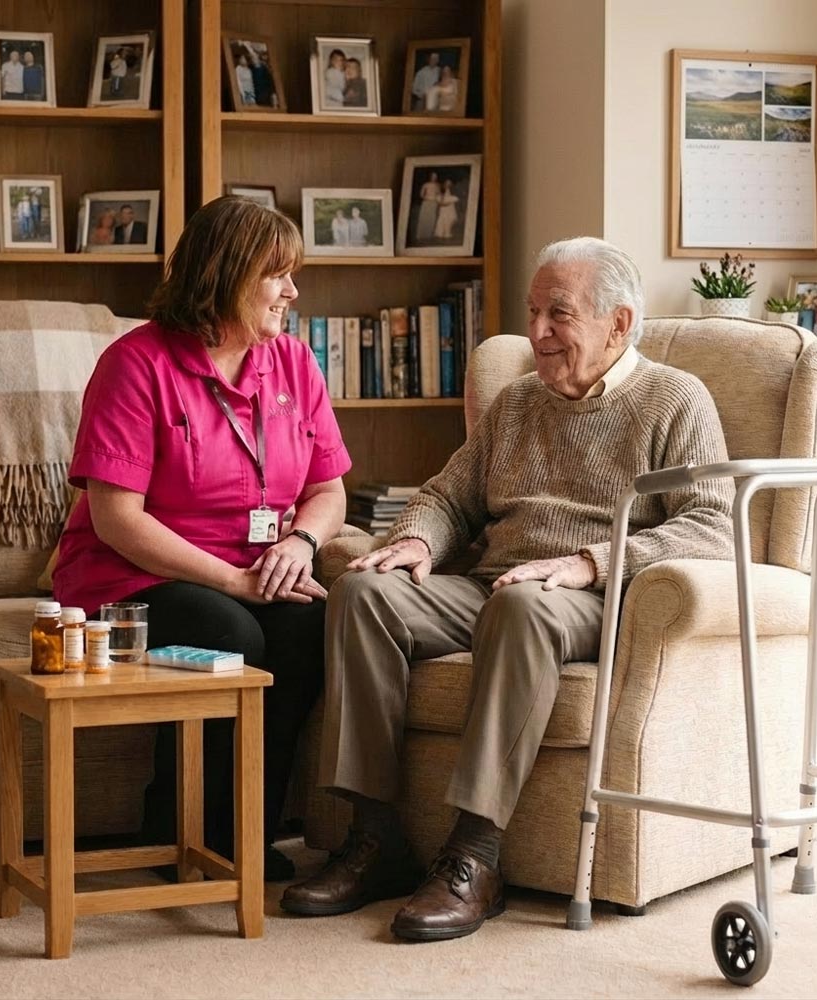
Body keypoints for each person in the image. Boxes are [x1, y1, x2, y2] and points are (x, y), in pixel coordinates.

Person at [280, 236, 734, 939]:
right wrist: (415, 541)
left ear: (618, 323)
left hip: (589, 598)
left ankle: (475, 856)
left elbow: (712, 527)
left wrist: (588, 563)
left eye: (559, 314)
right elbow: (448, 495)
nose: (539, 333)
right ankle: (374, 838)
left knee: (524, 604)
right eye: (533, 313)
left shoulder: (677, 400)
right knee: (364, 592)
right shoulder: (518, 402)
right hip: (493, 585)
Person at [53, 197, 350, 881]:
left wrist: (301, 544)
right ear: (225, 274)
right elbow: (116, 518)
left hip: (258, 569)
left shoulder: (295, 364)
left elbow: (328, 489)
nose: (292, 292)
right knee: (230, 633)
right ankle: (180, 826)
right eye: (278, 274)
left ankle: (248, 832)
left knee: (311, 625)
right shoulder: (136, 364)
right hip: (130, 574)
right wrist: (234, 581)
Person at [415, 172, 441, 242]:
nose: (434, 178)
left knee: (432, 218)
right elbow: (421, 194)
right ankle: (421, 235)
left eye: (435, 176)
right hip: (426, 203)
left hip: (434, 203)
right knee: (424, 217)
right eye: (433, 176)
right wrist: (426, 198)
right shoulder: (425, 185)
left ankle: (429, 235)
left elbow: (439, 194)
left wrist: (437, 199)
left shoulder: (437, 185)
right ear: (430, 177)